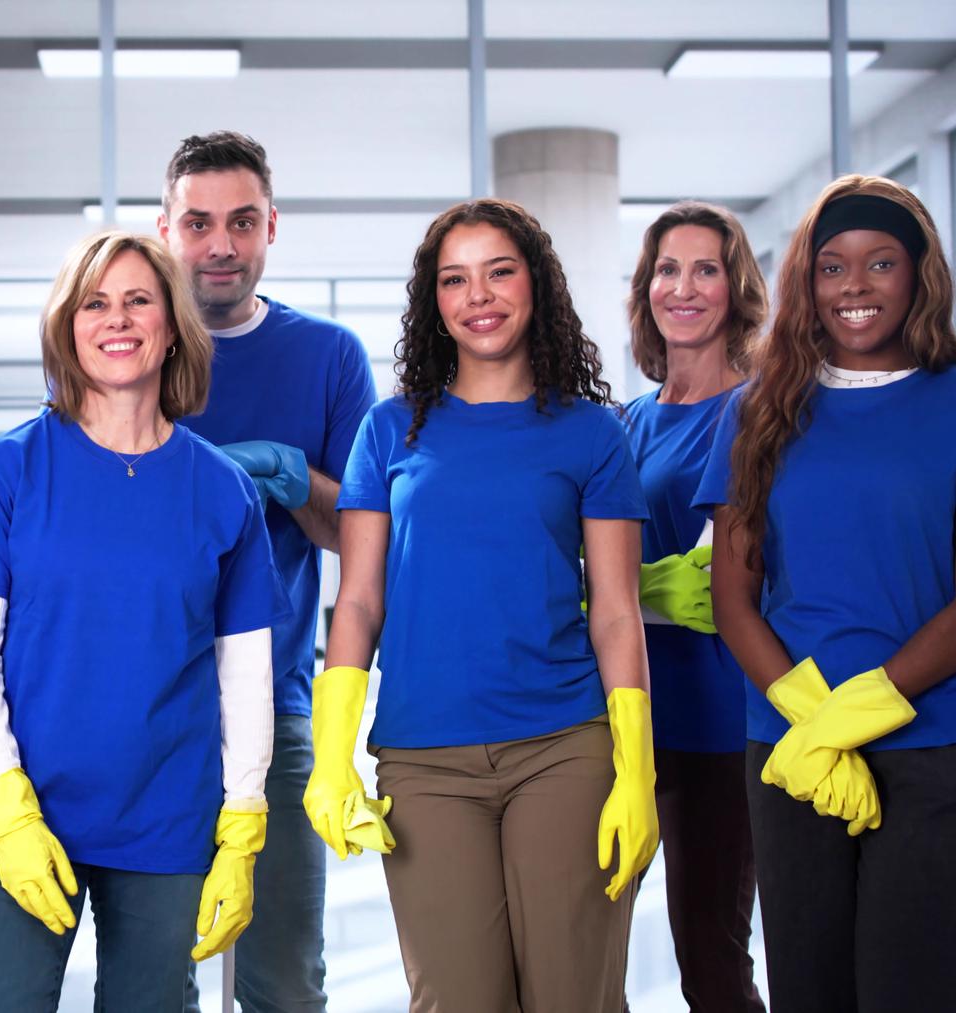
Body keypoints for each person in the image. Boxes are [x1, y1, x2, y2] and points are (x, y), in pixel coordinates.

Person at [0, 230, 283, 1012]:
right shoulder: (6, 470)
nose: (116, 319)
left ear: (171, 325)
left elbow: (245, 673)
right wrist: (7, 808)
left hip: (167, 810)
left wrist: (244, 817)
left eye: (137, 300)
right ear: (68, 326)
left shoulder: (222, 490)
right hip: (26, 799)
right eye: (95, 303)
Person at [324, 198, 658, 1011]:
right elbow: (359, 600)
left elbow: (617, 609)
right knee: (457, 998)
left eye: (499, 272)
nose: (478, 295)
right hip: (423, 759)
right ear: (433, 300)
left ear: (535, 283)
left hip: (565, 747)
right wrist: (332, 749)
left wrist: (637, 766)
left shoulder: (592, 433)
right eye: (455, 279)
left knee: (574, 997)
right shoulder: (389, 431)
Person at [699, 175, 956, 1011]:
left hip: (940, 743)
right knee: (809, 989)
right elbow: (733, 599)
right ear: (807, 281)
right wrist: (810, 720)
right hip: (791, 749)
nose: (855, 285)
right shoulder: (756, 412)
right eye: (833, 267)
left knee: (921, 990)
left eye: (881, 262)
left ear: (920, 272)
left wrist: (855, 713)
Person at [156, 131, 378, 1012]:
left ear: (272, 227)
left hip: (275, 703)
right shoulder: (123, 343)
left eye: (242, 222)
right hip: (143, 709)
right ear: (166, 229)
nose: (221, 245)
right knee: (152, 977)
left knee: (285, 980)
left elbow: (360, 534)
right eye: (199, 223)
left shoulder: (327, 357)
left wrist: (296, 479)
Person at [620, 201, 768, 1012]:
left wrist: (618, 586)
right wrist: (631, 587)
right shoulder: (629, 421)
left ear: (735, 287)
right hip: (625, 716)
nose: (683, 288)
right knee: (582, 943)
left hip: (717, 722)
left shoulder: (756, 412)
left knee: (710, 959)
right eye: (667, 270)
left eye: (705, 269)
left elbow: (719, 589)